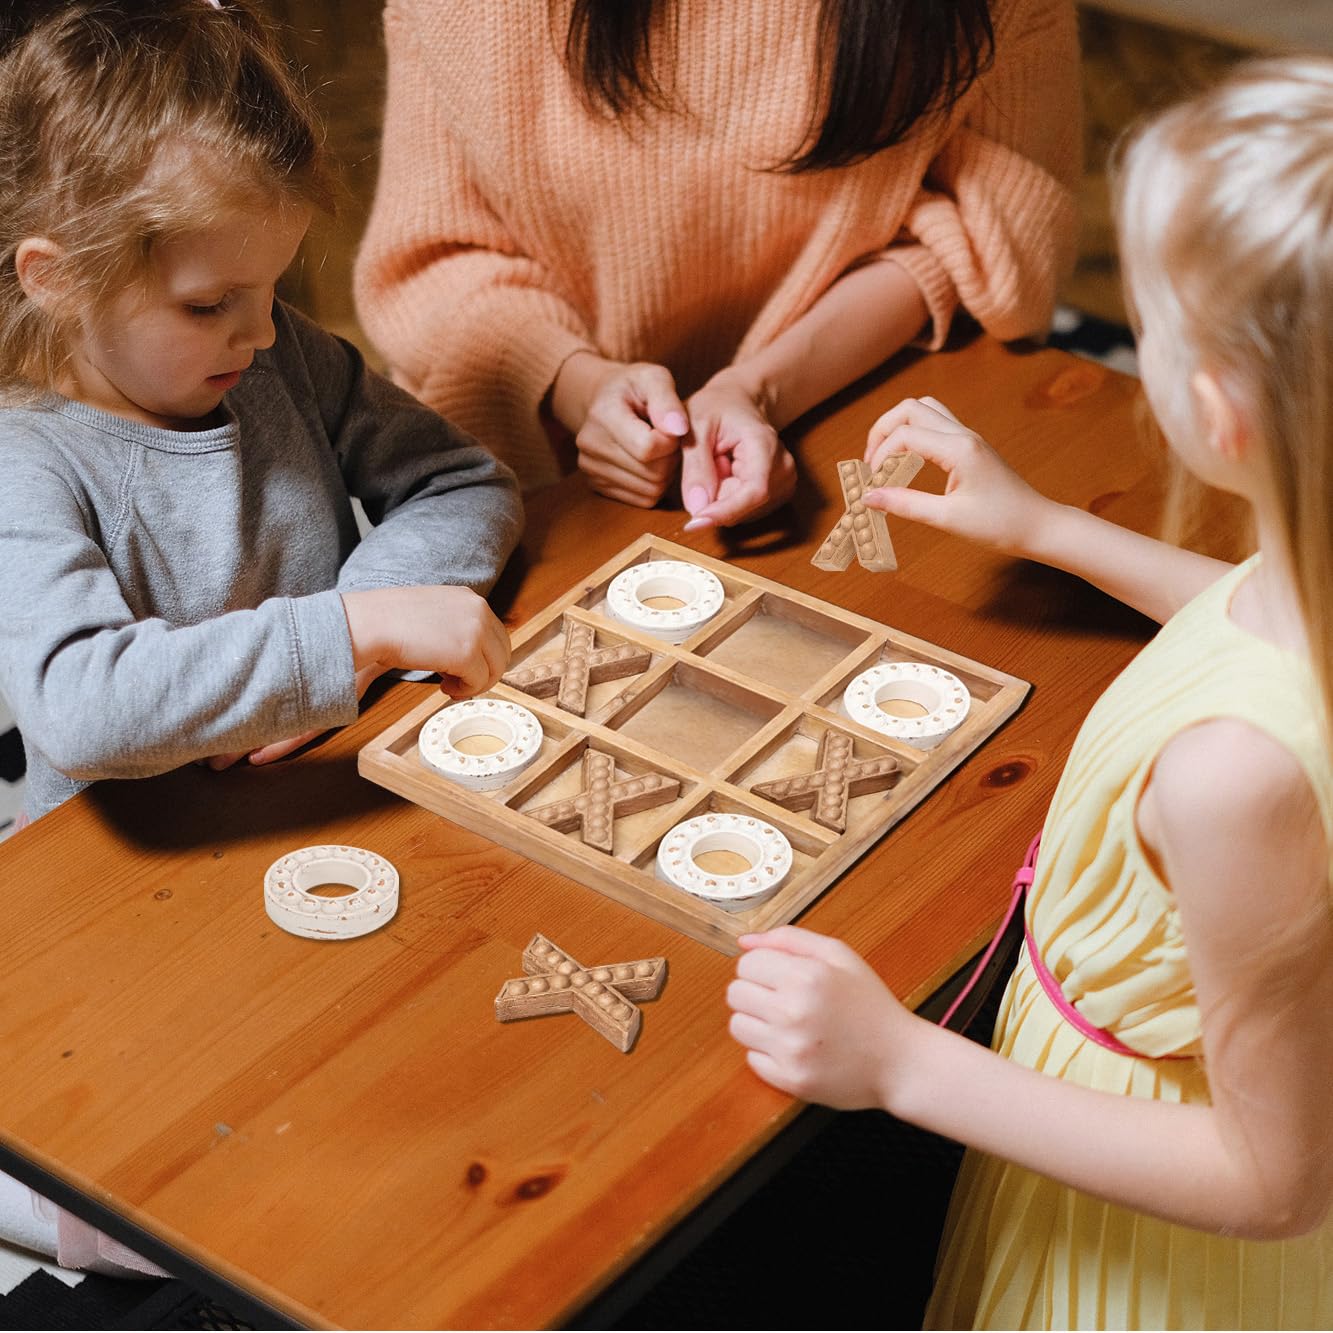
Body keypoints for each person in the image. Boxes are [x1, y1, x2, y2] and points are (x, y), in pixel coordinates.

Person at [726, 57, 1333, 1330]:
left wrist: (896, 1063)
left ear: (1216, 411)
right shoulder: (1303, 581)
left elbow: (1274, 1179)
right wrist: (1044, 525)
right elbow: (1247, 618)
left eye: (1153, 326)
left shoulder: (1235, 782)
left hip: (1147, 1237)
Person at [0, 0, 523, 836]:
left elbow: (461, 481)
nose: (264, 331)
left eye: (274, 287)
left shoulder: (273, 354)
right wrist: (348, 634)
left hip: (333, 794)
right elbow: (80, 706)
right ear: (57, 280)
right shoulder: (22, 461)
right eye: (208, 304)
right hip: (135, 876)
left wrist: (357, 644)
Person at [354, 0, 1080, 528]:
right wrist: (580, 389)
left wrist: (758, 389)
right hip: (530, 472)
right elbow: (429, 266)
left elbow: (999, 245)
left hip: (849, 411)